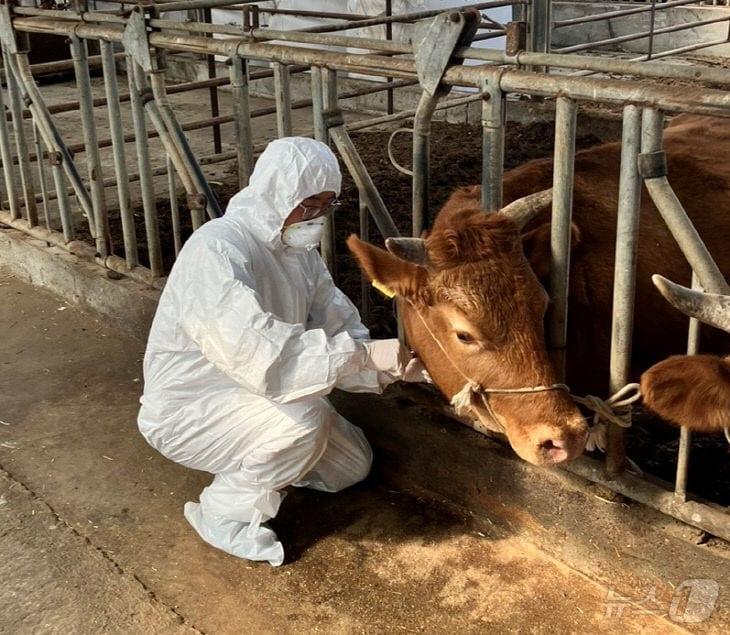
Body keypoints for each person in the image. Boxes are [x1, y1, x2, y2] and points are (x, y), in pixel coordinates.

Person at [138, 137, 428, 566]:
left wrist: (401, 363)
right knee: (305, 419)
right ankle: (224, 512)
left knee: (353, 467)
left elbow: (338, 326)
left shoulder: (300, 255)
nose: (317, 218)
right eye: (308, 204)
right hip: (192, 408)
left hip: (257, 394)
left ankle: (265, 460)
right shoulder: (218, 249)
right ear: (277, 193)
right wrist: (366, 358)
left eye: (326, 206)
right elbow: (262, 356)